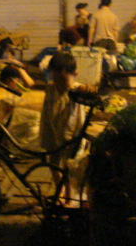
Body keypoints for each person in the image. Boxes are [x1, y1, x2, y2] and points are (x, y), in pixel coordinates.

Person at [40, 52, 93, 204]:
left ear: (75, 74)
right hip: (52, 129)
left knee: (69, 167)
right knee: (54, 162)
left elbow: (88, 90)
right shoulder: (51, 87)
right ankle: (60, 192)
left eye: (63, 80)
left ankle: (69, 198)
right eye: (55, 78)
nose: (59, 83)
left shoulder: (77, 90)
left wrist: (88, 89)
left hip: (71, 134)